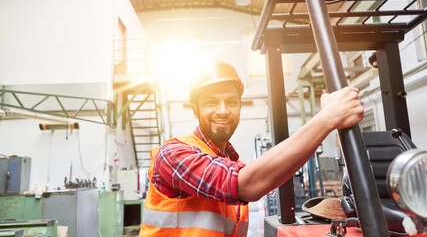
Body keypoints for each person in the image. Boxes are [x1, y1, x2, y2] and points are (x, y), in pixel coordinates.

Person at [139, 61, 364, 237]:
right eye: (211, 103)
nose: (223, 110)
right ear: (195, 109)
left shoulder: (233, 163)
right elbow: (245, 185)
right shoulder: (173, 154)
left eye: (232, 102)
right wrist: (326, 119)